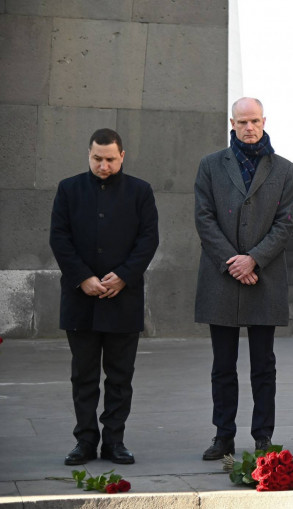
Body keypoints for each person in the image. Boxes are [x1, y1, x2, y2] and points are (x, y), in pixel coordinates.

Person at [195, 97, 293, 460]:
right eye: (242, 122)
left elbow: (284, 224)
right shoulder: (210, 166)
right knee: (222, 365)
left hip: (264, 279)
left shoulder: (284, 169)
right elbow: (204, 219)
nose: (249, 127)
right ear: (232, 124)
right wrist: (232, 262)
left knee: (263, 365)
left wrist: (253, 260)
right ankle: (223, 436)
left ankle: (263, 437)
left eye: (254, 121)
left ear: (264, 121)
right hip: (220, 279)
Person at [50, 128, 159, 465]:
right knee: (83, 376)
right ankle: (84, 442)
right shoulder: (68, 189)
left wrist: (124, 276)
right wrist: (82, 277)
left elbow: (148, 239)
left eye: (111, 159)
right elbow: (59, 238)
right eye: (97, 158)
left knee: (120, 376)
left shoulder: (140, 191)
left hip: (123, 300)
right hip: (80, 299)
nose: (104, 165)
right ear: (88, 154)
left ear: (122, 156)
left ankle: (114, 441)